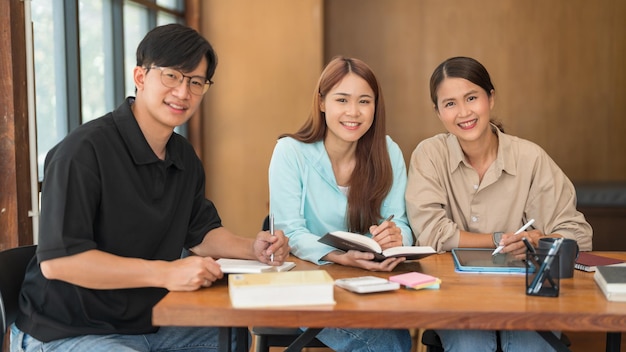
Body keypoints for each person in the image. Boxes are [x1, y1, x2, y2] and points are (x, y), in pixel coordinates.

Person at [12, 24, 289, 352]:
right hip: (67, 329)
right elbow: (60, 262)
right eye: (172, 76)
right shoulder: (83, 152)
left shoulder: (183, 155)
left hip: (148, 321)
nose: (183, 92)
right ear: (140, 77)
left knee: (230, 335)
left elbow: (199, 233)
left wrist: (252, 248)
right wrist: (166, 274)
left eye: (196, 82)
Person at [405, 56, 592, 352]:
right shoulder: (429, 155)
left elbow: (577, 233)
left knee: (528, 345)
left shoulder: (530, 158)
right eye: (450, 103)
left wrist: (541, 240)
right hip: (453, 294)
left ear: (490, 98)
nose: (463, 112)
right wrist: (497, 239)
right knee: (470, 344)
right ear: (438, 112)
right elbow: (431, 234)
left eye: (471, 97)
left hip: (527, 292)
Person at [268, 56, 413, 352]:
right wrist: (339, 256)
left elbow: (401, 223)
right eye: (342, 100)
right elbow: (290, 232)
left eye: (364, 101)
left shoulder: (388, 151)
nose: (353, 112)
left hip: (372, 282)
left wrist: (395, 238)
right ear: (322, 103)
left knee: (398, 338)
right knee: (387, 344)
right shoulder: (290, 152)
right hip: (308, 284)